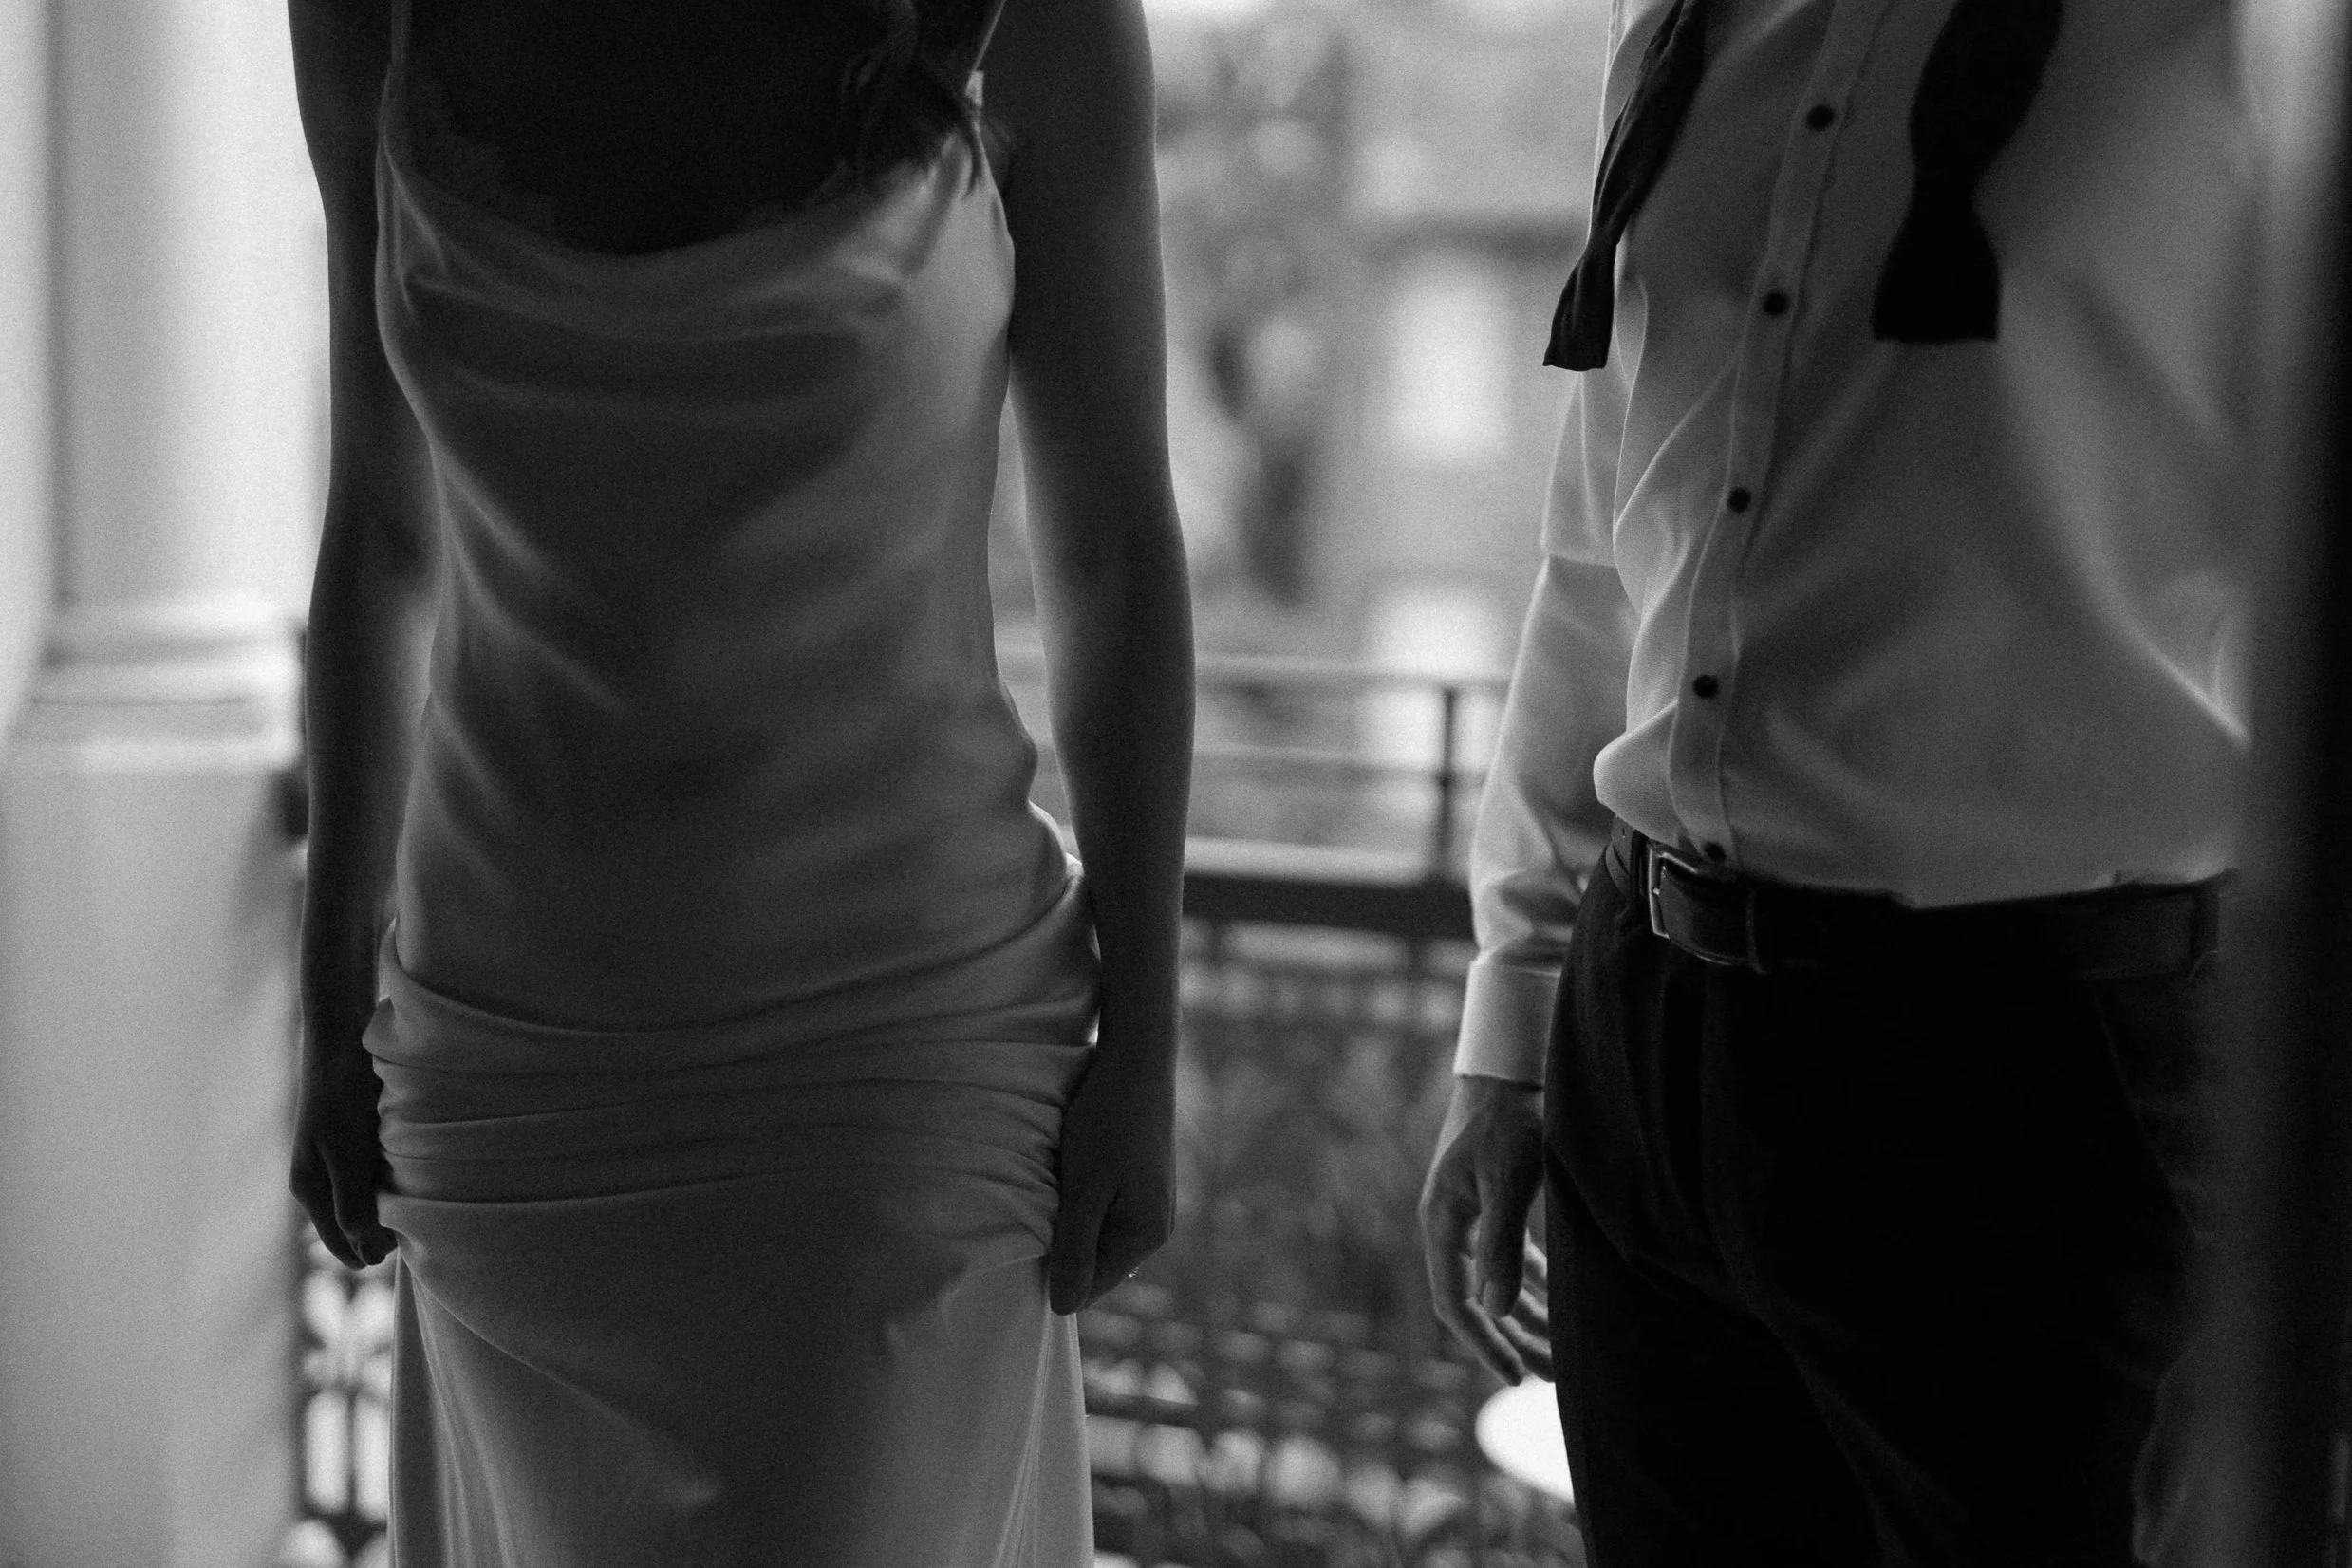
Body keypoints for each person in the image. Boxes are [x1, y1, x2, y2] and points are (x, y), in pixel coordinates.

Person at [285, 0, 1193, 1560]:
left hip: (885, 1058)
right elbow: (381, 538)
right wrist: (323, 1016)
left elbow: (1110, 549)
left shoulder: (1033, 19)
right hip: (504, 1073)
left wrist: (1148, 1031)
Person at [1419, 0, 2257, 1561]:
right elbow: (1600, 549)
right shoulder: (1677, 20)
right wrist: (1514, 1021)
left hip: (2045, 1078)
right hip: (1645, 1036)